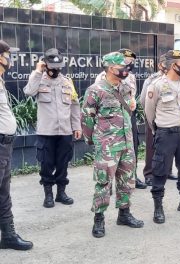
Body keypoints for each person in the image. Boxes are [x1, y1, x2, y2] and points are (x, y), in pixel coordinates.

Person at [81, 52, 144, 238]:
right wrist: (93, 141)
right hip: (107, 145)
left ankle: (124, 214)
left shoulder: (126, 87)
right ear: (110, 68)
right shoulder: (96, 90)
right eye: (121, 67)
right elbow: (87, 118)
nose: (126, 70)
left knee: (127, 180)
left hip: (126, 143)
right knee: (103, 182)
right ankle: (99, 219)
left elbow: (130, 110)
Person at [145, 50, 180, 224]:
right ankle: (158, 208)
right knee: (160, 171)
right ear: (172, 66)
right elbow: (149, 111)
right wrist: (158, 129)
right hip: (165, 134)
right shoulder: (157, 85)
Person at [23, 48, 81, 208]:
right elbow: (28, 92)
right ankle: (48, 194)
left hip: (65, 132)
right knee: (46, 164)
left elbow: (75, 106)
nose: (56, 70)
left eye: (58, 67)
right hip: (46, 132)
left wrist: (76, 126)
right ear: (45, 65)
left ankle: (61, 193)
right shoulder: (38, 80)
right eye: (52, 67)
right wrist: (37, 71)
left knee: (63, 163)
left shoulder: (67, 82)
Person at [95, 49, 147, 189]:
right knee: (109, 160)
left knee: (132, 147)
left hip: (128, 116)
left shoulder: (130, 77)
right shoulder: (101, 77)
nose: (129, 64)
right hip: (110, 121)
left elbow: (131, 95)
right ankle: (107, 186)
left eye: (131, 62)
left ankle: (133, 175)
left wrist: (132, 104)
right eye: (127, 61)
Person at [0, 40, 33, 251]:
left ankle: (8, 236)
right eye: (7, 54)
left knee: (4, 192)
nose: (9, 59)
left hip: (5, 145)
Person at [140, 54, 168, 186]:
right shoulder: (151, 80)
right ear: (159, 65)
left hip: (168, 118)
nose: (167, 65)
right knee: (152, 145)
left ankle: (166, 170)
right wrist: (150, 116)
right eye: (165, 63)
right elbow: (143, 100)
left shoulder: (175, 79)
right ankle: (149, 173)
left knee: (168, 145)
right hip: (154, 116)